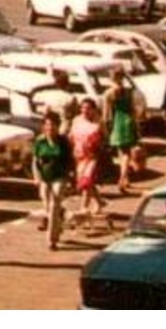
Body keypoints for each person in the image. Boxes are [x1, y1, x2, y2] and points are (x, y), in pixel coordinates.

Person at [31, 114, 71, 249]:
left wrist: (71, 176)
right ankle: (58, 223)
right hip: (44, 177)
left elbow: (69, 161)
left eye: (53, 125)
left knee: (54, 205)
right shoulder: (40, 141)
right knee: (48, 206)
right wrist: (36, 177)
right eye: (47, 125)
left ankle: (51, 240)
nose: (50, 128)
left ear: (57, 126)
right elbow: (35, 161)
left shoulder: (63, 141)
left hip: (59, 176)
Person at [69, 98, 109, 231]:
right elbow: (71, 136)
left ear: (93, 109)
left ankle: (83, 209)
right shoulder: (76, 120)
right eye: (82, 108)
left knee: (86, 182)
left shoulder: (99, 122)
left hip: (93, 157)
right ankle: (99, 201)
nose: (85, 110)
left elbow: (105, 138)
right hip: (79, 155)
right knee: (84, 181)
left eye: (88, 108)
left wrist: (98, 144)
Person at [101, 70, 142, 193]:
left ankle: (122, 178)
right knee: (125, 152)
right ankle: (126, 179)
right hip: (128, 120)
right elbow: (133, 109)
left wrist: (105, 128)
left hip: (117, 122)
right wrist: (136, 124)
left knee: (123, 153)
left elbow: (106, 114)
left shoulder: (109, 93)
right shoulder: (128, 91)